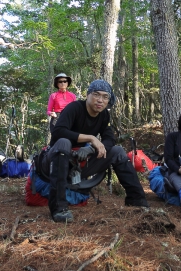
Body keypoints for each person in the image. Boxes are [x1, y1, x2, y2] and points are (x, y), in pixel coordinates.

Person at [41, 80, 148, 222]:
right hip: (54, 163)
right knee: (63, 143)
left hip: (78, 167)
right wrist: (91, 138)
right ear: (88, 95)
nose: (100, 100)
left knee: (117, 151)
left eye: (105, 97)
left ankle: (137, 200)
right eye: (96, 95)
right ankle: (59, 208)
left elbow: (110, 139)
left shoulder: (104, 116)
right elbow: (58, 132)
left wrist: (91, 149)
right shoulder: (74, 108)